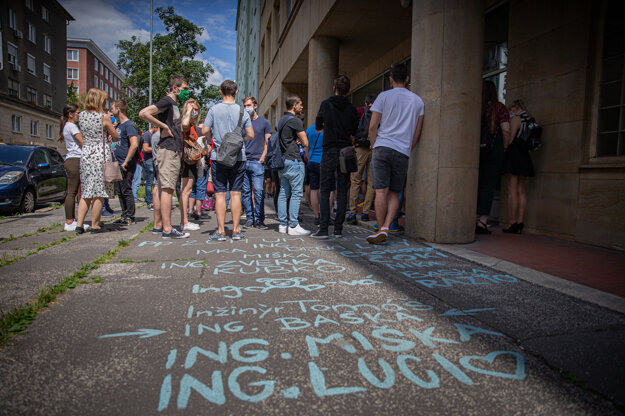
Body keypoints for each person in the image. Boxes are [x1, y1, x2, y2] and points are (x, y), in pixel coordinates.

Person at [366, 62, 424, 244]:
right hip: (402, 150)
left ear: (390, 79)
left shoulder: (383, 97)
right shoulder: (418, 101)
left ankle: (380, 228)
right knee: (394, 193)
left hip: (382, 147)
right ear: (407, 79)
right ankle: (386, 227)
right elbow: (417, 132)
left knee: (380, 191)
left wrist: (375, 146)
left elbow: (373, 126)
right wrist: (408, 148)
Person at [139, 75, 190, 239]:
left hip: (169, 149)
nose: (186, 92)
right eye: (184, 89)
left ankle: (160, 225)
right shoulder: (167, 101)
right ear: (175, 88)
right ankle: (168, 229)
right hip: (168, 149)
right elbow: (144, 113)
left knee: (162, 188)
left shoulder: (173, 104)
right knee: (167, 190)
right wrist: (163, 127)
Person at [202, 79, 254, 241]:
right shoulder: (242, 111)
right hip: (239, 157)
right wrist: (238, 141)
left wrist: (213, 141)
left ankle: (221, 231)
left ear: (220, 92)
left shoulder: (214, 110)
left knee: (220, 194)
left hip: (219, 156)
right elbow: (251, 134)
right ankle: (237, 231)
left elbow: (205, 130)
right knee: (236, 194)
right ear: (236, 92)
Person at [311, 75, 359, 239]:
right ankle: (338, 229)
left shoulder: (326, 104)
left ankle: (324, 228)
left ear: (334, 88)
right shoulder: (352, 108)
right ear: (348, 89)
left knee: (325, 189)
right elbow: (355, 131)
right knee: (342, 189)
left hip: (330, 149)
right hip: (345, 151)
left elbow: (318, 126)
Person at [75, 88, 119, 234]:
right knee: (99, 192)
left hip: (86, 154)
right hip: (100, 154)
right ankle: (95, 225)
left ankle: (79, 225)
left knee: (86, 191)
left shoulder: (81, 116)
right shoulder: (103, 117)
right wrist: (109, 134)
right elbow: (115, 136)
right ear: (100, 100)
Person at [476, 80, 510, 234]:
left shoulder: (477, 108)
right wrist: (504, 146)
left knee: (476, 184)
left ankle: (471, 217)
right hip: (493, 150)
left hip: (477, 151)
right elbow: (506, 129)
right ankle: (482, 221)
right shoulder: (499, 108)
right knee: (488, 185)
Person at [276, 94, 310, 236]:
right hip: (294, 161)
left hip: (283, 161)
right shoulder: (295, 121)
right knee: (296, 193)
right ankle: (294, 225)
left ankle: (283, 224)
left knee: (284, 193)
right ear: (294, 105)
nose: (302, 107)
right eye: (300, 104)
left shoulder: (281, 121)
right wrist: (299, 140)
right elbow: (306, 142)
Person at [502, 99, 534, 234]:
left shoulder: (516, 119)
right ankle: (520, 221)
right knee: (521, 190)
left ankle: (512, 222)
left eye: (510, 109)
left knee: (512, 190)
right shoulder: (528, 120)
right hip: (524, 156)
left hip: (514, 155)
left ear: (514, 108)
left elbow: (510, 139)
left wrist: (504, 146)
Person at [242, 96, 272, 229]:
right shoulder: (242, 122)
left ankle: (259, 219)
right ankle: (249, 218)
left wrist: (262, 158)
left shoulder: (264, 122)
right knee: (246, 192)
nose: (246, 108)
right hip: (244, 161)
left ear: (255, 106)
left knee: (259, 191)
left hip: (257, 162)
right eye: (244, 106)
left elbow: (268, 142)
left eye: (248, 105)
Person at [348, 94, 376, 225]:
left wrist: (354, 141)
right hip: (374, 148)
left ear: (366, 103)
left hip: (360, 149)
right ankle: (365, 212)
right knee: (371, 182)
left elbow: (352, 128)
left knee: (355, 180)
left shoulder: (360, 111)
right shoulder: (379, 112)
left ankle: (352, 213)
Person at [111, 100, 138, 225]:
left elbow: (134, 144)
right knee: (120, 191)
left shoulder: (129, 125)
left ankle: (130, 216)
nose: (111, 111)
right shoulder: (117, 126)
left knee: (126, 189)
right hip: (117, 163)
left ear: (118, 109)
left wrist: (126, 161)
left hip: (125, 163)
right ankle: (124, 215)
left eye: (112, 108)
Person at [58, 104, 83, 231]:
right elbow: (82, 142)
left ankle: (72, 220)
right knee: (72, 191)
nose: (79, 115)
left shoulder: (68, 126)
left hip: (72, 159)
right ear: (70, 114)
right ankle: (69, 221)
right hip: (74, 160)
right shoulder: (71, 126)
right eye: (78, 113)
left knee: (74, 191)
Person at [179, 98, 202, 231]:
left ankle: (185, 221)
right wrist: (188, 111)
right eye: (192, 109)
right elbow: (185, 125)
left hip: (191, 160)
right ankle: (184, 222)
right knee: (186, 191)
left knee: (188, 190)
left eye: (196, 110)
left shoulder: (193, 125)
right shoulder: (185, 122)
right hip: (186, 160)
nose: (194, 112)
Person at [305, 124, 326, 225]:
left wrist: (308, 159)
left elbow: (305, 146)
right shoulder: (328, 128)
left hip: (312, 161)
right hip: (324, 161)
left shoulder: (309, 129)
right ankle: (325, 215)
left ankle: (316, 216)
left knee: (314, 189)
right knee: (327, 189)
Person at [142, 126, 157, 210]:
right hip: (149, 160)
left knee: (156, 182)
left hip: (154, 160)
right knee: (149, 182)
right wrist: (156, 149)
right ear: (154, 127)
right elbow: (145, 148)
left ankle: (155, 201)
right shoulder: (147, 135)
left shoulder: (154, 134)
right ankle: (149, 201)